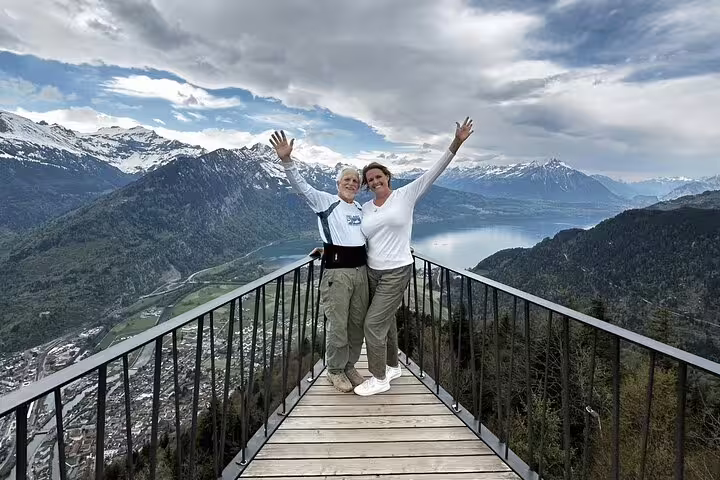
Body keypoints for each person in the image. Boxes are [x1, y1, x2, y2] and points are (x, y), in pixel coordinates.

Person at [353, 117, 474, 396]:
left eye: (378, 177)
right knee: (386, 320)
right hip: (372, 271)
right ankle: (393, 365)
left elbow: (435, 171)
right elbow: (355, 236)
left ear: (387, 177)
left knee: (372, 324)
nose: (374, 182)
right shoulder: (366, 209)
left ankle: (379, 377)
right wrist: (328, 249)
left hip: (397, 271)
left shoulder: (406, 195)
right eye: (369, 180)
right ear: (367, 185)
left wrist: (456, 142)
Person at [269, 130, 368, 393]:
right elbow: (301, 187)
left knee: (356, 324)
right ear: (338, 184)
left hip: (361, 272)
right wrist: (287, 162)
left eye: (355, 180)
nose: (351, 183)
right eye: (346, 179)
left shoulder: (360, 209)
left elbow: (368, 237)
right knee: (338, 325)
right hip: (337, 274)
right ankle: (334, 370)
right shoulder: (326, 202)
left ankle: (349, 366)